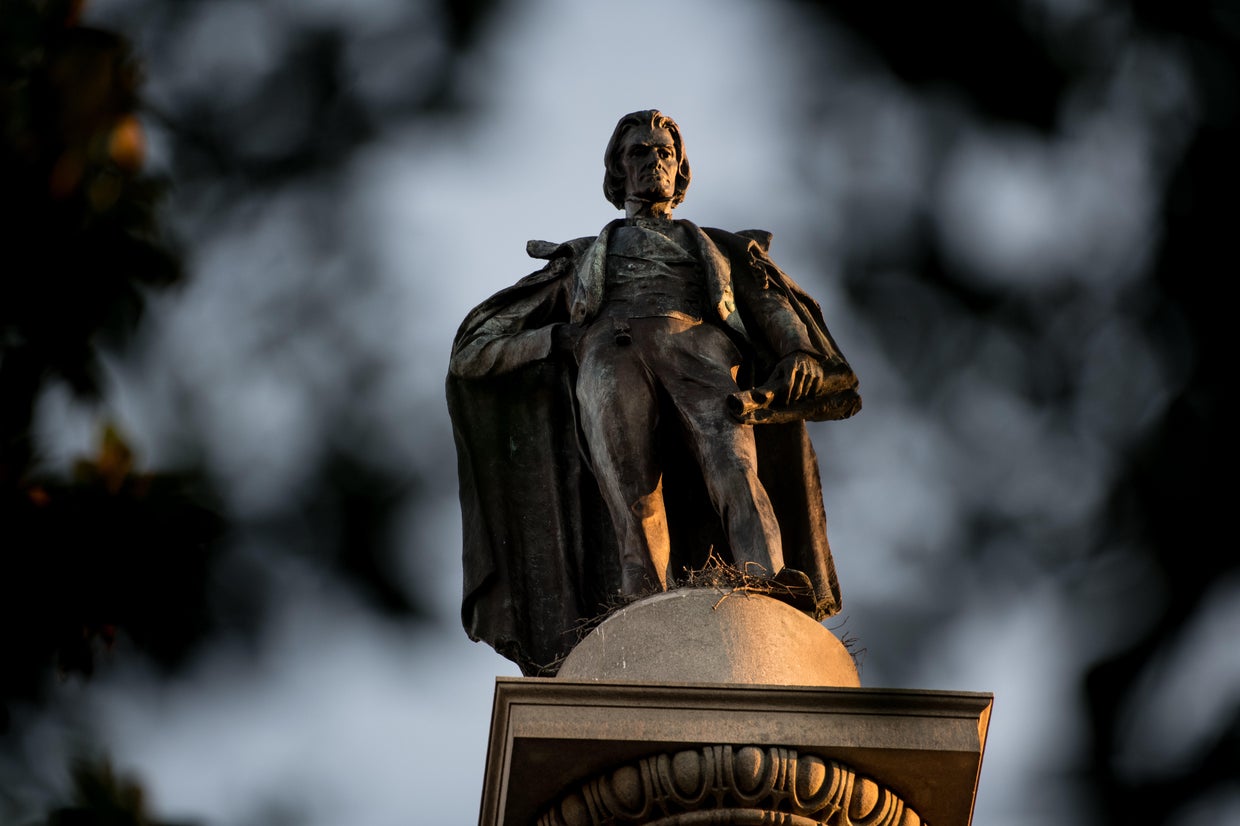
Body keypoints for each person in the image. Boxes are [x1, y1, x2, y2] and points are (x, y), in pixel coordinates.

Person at [446, 110, 860, 676]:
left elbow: (771, 310)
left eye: (664, 153)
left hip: (701, 349)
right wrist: (558, 339)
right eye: (639, 153)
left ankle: (764, 579)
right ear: (618, 172)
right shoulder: (580, 258)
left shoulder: (719, 247)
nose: (654, 163)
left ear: (680, 168)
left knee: (734, 465)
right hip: (607, 355)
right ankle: (644, 605)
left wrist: (799, 355)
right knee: (631, 486)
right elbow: (475, 350)